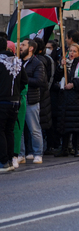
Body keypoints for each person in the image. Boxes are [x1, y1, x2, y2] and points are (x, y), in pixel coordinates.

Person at [53, 43, 79, 158]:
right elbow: (56, 78)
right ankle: (64, 148)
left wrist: (73, 84)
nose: (72, 53)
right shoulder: (65, 63)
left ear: (78, 53)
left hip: (76, 97)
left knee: (76, 124)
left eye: (74, 51)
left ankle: (77, 147)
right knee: (64, 124)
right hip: (64, 97)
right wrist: (60, 67)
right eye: (70, 51)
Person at [17, 39, 47, 165]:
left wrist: (23, 79)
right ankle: (20, 154)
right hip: (18, 99)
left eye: (23, 45)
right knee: (19, 129)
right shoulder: (17, 61)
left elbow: (39, 81)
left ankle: (38, 153)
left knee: (34, 128)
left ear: (30, 48)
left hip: (31, 99)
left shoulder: (37, 63)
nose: (20, 47)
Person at [0, 38, 28, 172]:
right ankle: (11, 160)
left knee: (1, 131)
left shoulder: (0, 61)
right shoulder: (18, 61)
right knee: (9, 131)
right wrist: (16, 92)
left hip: (2, 101)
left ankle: (3, 161)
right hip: (15, 101)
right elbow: (25, 81)